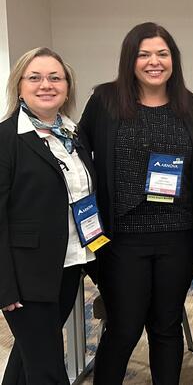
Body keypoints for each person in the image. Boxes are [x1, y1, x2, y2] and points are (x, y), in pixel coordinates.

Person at [78, 22, 193, 384]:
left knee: (167, 326)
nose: (154, 62)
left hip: (178, 236)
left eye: (162, 54)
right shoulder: (105, 101)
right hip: (123, 238)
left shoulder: (189, 103)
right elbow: (77, 152)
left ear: (173, 60)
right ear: (130, 60)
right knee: (124, 327)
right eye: (144, 54)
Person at [0, 47, 99, 385]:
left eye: (55, 78)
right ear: (20, 86)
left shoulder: (73, 135)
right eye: (35, 77)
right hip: (26, 275)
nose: (46, 84)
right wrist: (4, 285)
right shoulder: (6, 139)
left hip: (68, 263)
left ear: (67, 87)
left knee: (30, 357)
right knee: (48, 369)